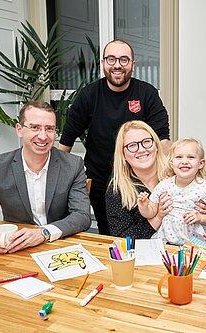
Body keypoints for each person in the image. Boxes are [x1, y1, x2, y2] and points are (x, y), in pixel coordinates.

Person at [58, 39, 170, 236]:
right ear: (103, 64)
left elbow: (163, 139)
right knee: (113, 236)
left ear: (133, 65)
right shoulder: (89, 95)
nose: (117, 65)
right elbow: (67, 140)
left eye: (124, 60)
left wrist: (171, 179)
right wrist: (55, 180)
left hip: (142, 181)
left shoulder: (147, 94)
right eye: (111, 59)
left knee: (158, 229)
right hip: (102, 182)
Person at [0, 101, 91, 254]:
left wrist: (44, 233)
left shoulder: (73, 165)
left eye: (49, 129)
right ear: (19, 130)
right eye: (35, 127)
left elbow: (82, 216)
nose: (43, 136)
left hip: (60, 248)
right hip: (15, 251)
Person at [138, 138, 206, 245]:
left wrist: (200, 218)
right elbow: (150, 213)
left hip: (197, 243)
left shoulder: (205, 188)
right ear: (171, 163)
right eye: (178, 157)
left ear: (201, 164)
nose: (184, 161)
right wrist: (144, 207)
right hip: (167, 241)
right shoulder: (163, 186)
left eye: (191, 157)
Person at [105, 121, 172, 239]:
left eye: (146, 142)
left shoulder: (176, 174)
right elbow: (124, 238)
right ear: (123, 154)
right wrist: (157, 218)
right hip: (145, 254)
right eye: (132, 145)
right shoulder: (117, 191)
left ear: (156, 145)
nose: (141, 150)